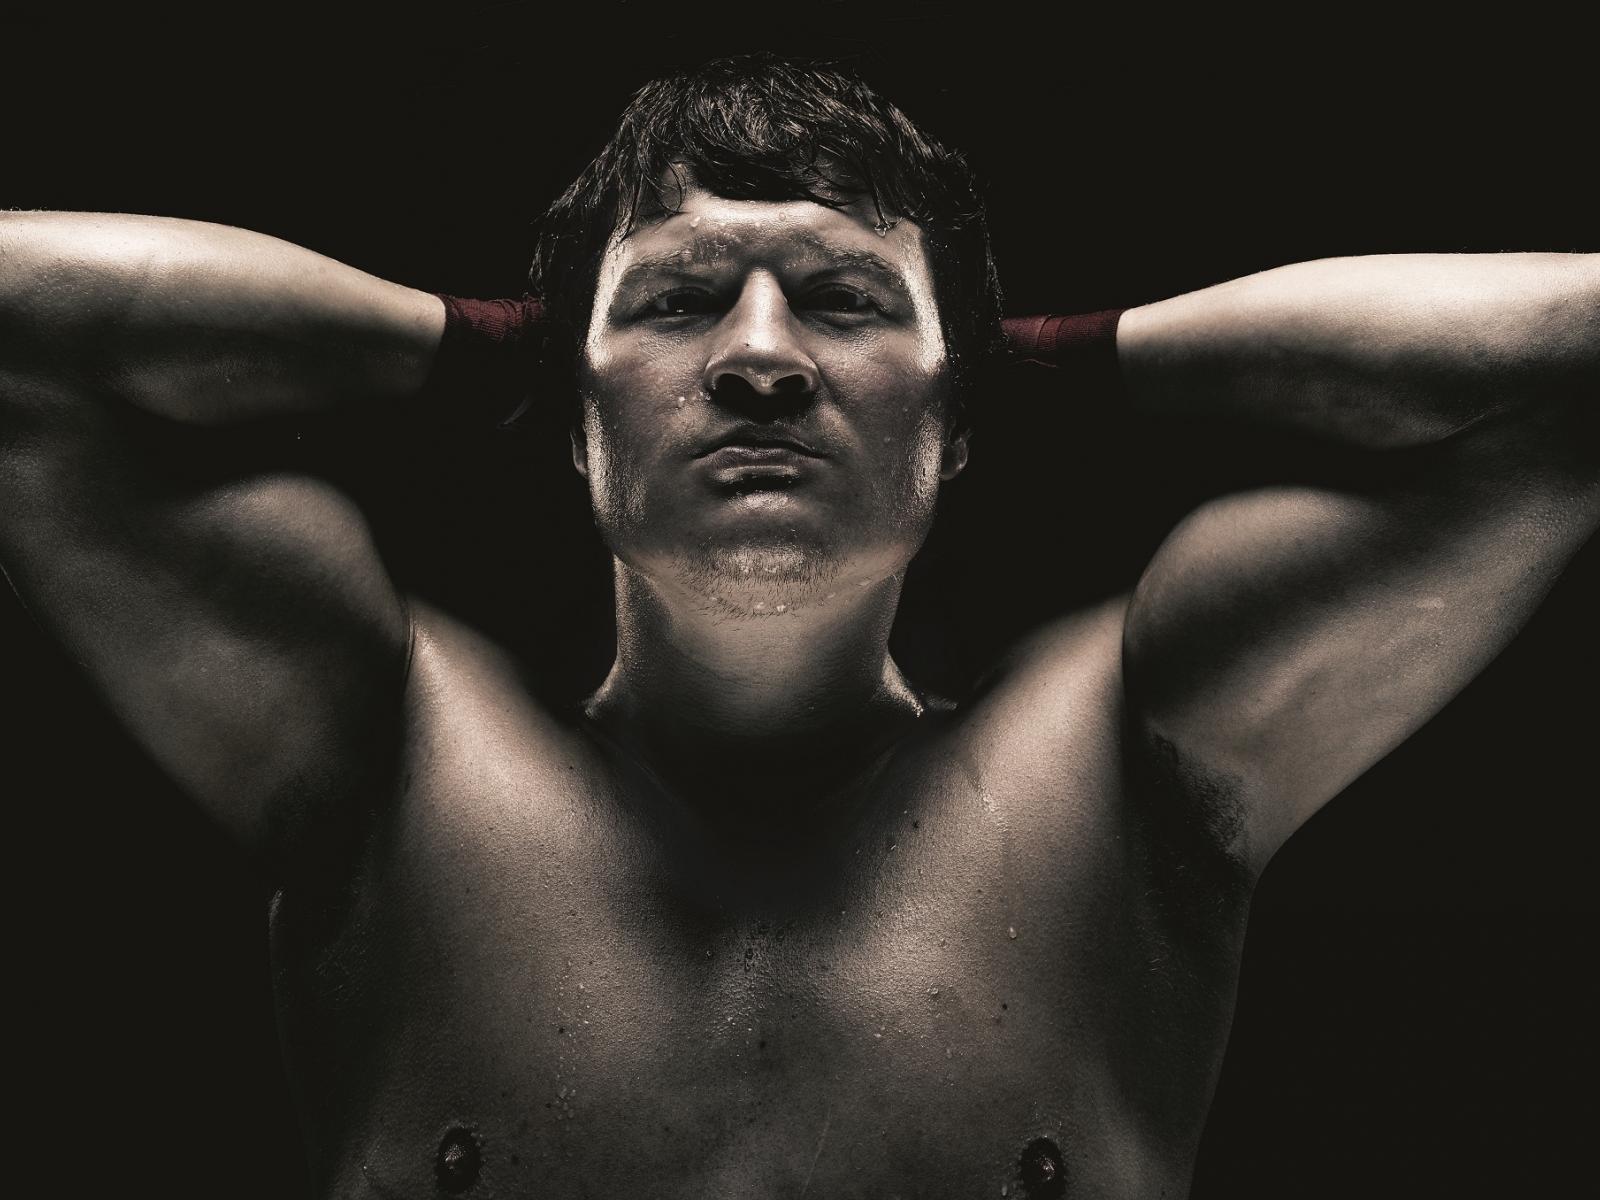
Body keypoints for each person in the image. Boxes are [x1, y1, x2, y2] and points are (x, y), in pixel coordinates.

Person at [2, 54, 1594, 1198]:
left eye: (844, 301)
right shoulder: (386, 743)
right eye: (678, 299)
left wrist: (1057, 352)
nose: (761, 358)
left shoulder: (1126, 759)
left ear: (955, 421)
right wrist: (481, 342)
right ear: (574, 419)